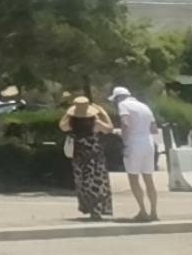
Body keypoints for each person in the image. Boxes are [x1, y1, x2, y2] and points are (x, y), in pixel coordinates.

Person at [59, 96, 113, 220]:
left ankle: (88, 207)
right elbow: (109, 128)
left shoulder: (72, 124)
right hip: (95, 156)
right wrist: (103, 113)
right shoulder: (95, 123)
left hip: (79, 157)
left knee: (83, 182)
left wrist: (68, 114)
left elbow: (62, 126)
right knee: (97, 182)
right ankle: (97, 210)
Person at [111, 87, 159, 221]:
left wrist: (124, 141)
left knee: (133, 178)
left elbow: (125, 123)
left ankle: (143, 211)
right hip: (148, 143)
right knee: (148, 179)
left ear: (118, 98)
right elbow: (154, 129)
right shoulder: (144, 106)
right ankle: (154, 212)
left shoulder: (123, 105)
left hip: (134, 143)